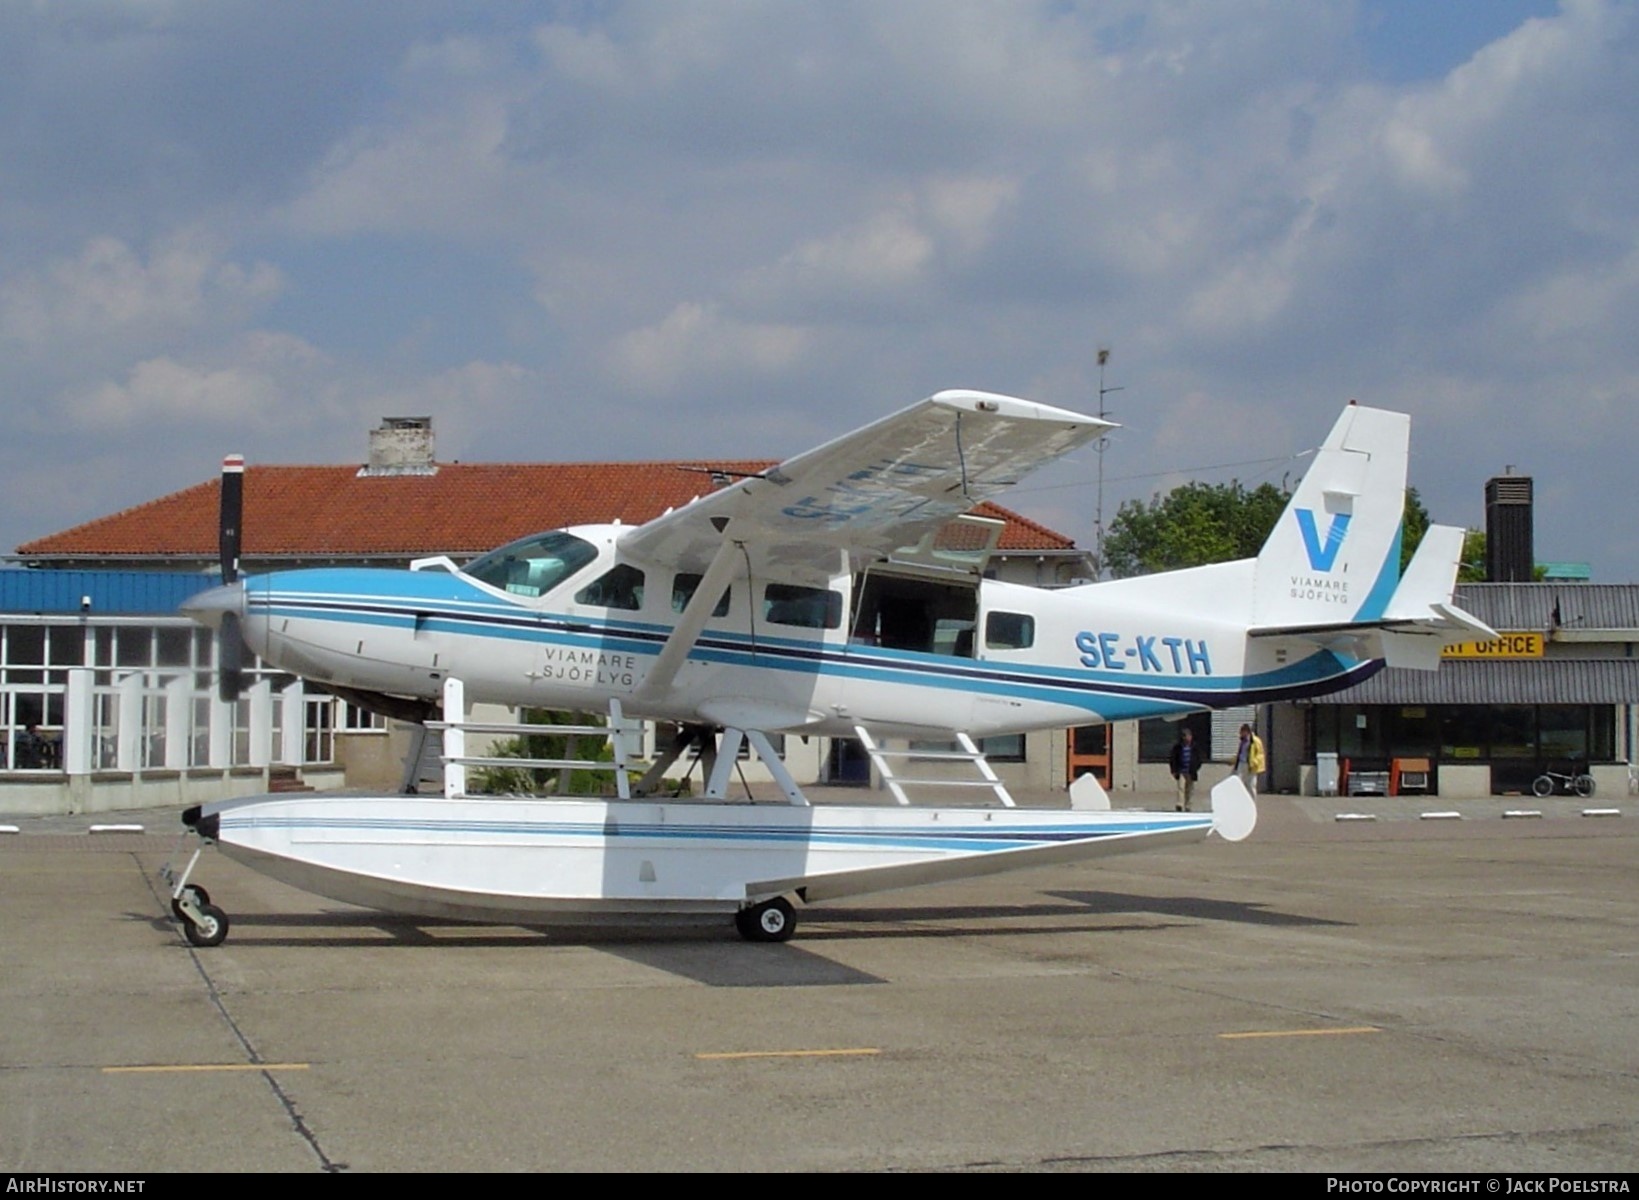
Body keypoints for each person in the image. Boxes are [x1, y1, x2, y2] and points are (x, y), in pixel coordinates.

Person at [1169, 727, 1202, 812]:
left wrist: (1196, 767)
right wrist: (1173, 770)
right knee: (1181, 788)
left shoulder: (1194, 747)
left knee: (1189, 789)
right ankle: (1180, 804)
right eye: (1184, 736)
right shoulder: (1178, 747)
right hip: (1181, 770)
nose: (1186, 738)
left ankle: (1188, 805)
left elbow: (1199, 759)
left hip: (1191, 771)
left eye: (1187, 736)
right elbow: (1173, 759)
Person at [1234, 722, 1265, 797]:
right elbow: (1240, 753)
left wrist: (1255, 762)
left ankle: (1253, 803)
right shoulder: (1242, 741)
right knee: (1239, 783)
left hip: (1251, 765)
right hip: (1242, 764)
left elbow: (1260, 753)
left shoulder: (1255, 741)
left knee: (1251, 785)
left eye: (1242, 732)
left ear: (1247, 732)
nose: (1241, 733)